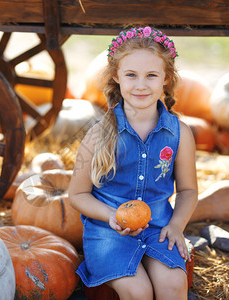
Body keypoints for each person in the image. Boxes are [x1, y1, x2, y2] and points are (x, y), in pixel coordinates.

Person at [68, 26, 198, 300]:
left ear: (166, 78)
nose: (141, 84)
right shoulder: (98, 134)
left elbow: (188, 190)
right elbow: (77, 194)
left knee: (174, 284)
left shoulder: (179, 133)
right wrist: (111, 216)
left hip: (159, 227)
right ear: (116, 76)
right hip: (108, 231)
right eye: (131, 75)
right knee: (137, 291)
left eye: (151, 75)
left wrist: (176, 225)